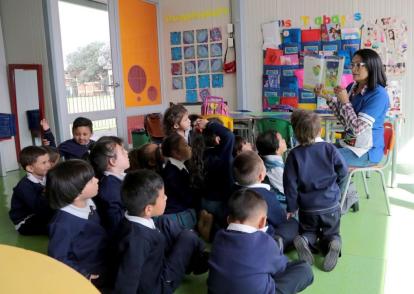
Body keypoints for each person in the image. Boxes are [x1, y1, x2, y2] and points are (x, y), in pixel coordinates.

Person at [114, 169, 208, 294]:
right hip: (161, 285)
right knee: (188, 236)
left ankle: (198, 260)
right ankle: (201, 260)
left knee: (165, 222)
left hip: (156, 262)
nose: (166, 197)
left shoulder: (131, 219)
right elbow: (126, 282)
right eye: (163, 196)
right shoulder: (137, 241)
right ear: (148, 209)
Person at [208, 189, 313, 294]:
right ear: (263, 222)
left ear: (228, 219)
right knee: (304, 270)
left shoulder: (218, 236)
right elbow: (281, 268)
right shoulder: (265, 242)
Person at [284, 110, 348, 272]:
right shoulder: (330, 149)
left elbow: (289, 184)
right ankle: (333, 242)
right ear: (320, 130)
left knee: (309, 230)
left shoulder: (294, 154)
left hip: (307, 207)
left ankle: (305, 240)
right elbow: (344, 172)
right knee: (331, 232)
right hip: (330, 204)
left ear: (296, 133)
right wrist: (338, 193)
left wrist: (292, 207)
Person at [314, 48, 390, 168]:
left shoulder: (379, 95)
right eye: (352, 64)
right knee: (314, 153)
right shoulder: (352, 87)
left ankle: (342, 187)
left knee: (324, 159)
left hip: (367, 151)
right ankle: (346, 186)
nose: (353, 69)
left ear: (371, 66)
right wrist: (327, 97)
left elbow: (357, 128)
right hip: (349, 144)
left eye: (359, 65)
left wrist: (345, 101)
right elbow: (344, 119)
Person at [46, 160, 110, 285]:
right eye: (91, 180)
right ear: (76, 194)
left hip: (99, 256)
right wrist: (84, 274)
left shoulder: (88, 201)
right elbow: (58, 257)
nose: (97, 180)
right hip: (88, 270)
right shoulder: (62, 224)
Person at [233, 151, 299, 252]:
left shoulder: (234, 193)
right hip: (263, 239)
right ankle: (278, 244)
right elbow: (279, 219)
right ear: (261, 176)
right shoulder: (266, 195)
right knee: (294, 223)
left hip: (239, 237)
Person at [89, 136, 130, 236]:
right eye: (122, 151)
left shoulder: (118, 179)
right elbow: (116, 223)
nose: (127, 152)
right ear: (112, 161)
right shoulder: (109, 189)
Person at [9, 146, 53, 235]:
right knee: (58, 225)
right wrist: (46, 191)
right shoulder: (24, 186)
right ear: (30, 168)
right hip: (25, 221)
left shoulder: (47, 176)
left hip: (40, 213)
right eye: (44, 163)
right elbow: (39, 208)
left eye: (48, 161)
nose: (48, 165)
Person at [256, 130, 288, 206]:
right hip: (280, 207)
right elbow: (288, 191)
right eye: (281, 139)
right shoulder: (274, 169)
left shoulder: (266, 161)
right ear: (276, 149)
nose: (284, 140)